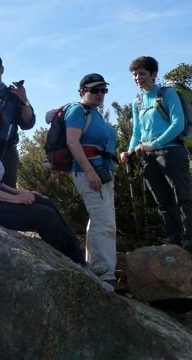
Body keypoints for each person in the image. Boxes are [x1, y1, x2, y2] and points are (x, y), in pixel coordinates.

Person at [0, 95, 84, 264]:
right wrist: (15, 199)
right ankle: (73, 262)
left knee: (45, 201)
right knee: (44, 216)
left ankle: (78, 257)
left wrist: (21, 192)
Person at [120, 56, 192, 260]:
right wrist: (129, 150)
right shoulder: (137, 101)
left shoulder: (167, 94)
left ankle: (191, 246)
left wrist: (154, 144)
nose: (137, 78)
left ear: (153, 74)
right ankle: (172, 244)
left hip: (171, 152)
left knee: (183, 199)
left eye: (142, 73)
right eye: (135, 74)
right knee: (163, 203)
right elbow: (137, 131)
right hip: (147, 156)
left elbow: (178, 124)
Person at [66, 74, 118, 285]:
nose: (100, 94)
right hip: (88, 172)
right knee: (103, 221)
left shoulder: (95, 113)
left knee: (101, 219)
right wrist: (89, 171)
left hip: (102, 173)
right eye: (94, 90)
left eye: (103, 90)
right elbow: (72, 142)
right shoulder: (78, 111)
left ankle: (98, 267)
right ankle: (104, 274)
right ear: (82, 91)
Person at [0, 54, 35, 188]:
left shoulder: (14, 94)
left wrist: (24, 100)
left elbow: (27, 123)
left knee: (9, 190)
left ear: (1, 69)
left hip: (7, 151)